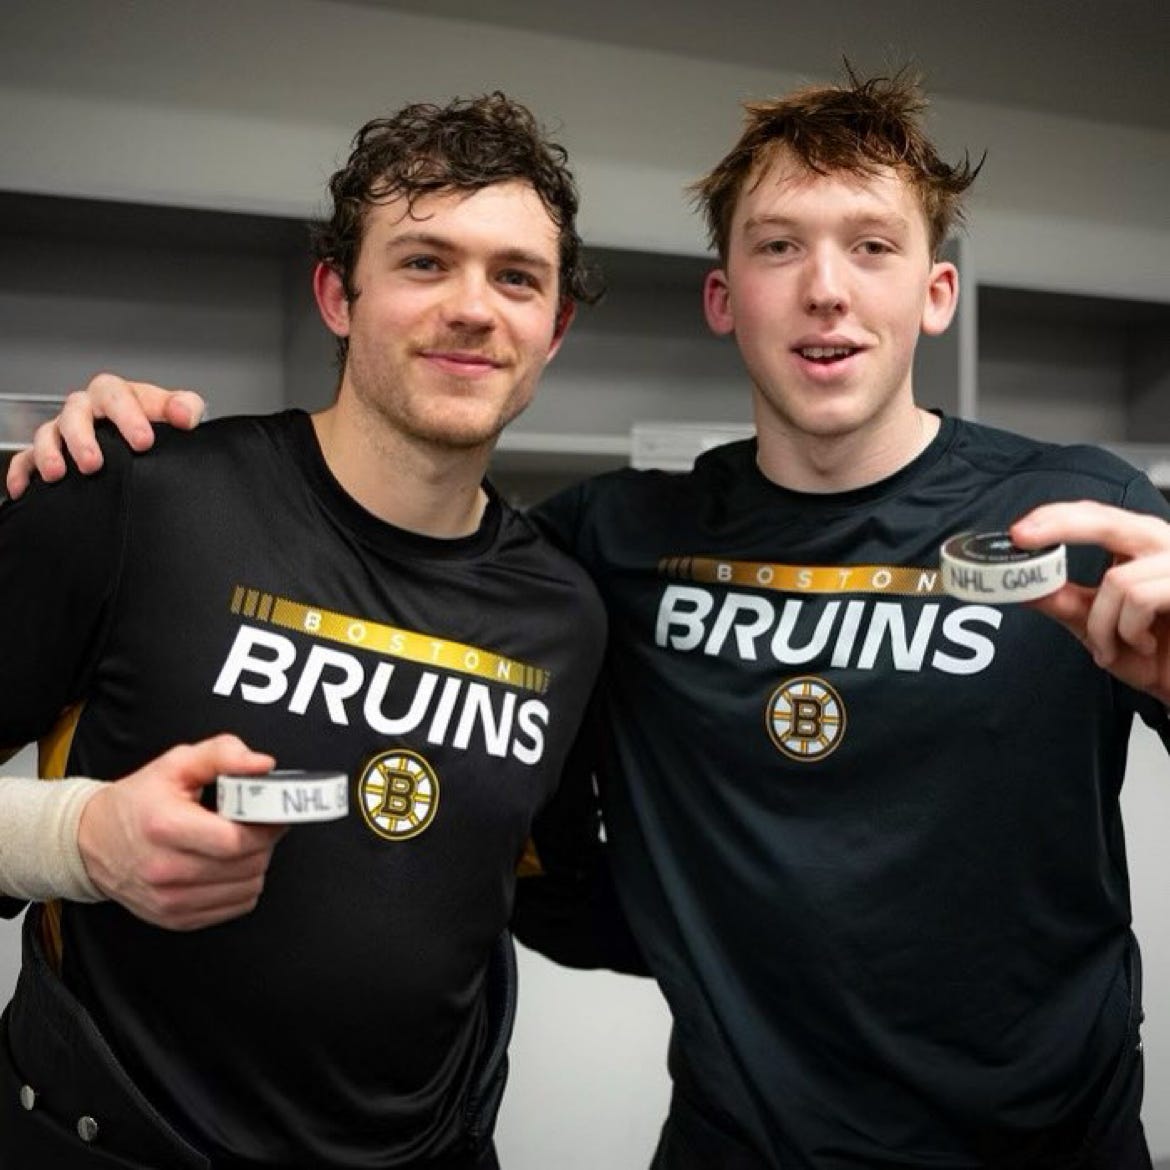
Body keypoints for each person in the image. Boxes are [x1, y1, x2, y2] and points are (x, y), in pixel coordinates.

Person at [13, 68, 1170, 1169]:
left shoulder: (1083, 516)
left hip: (1049, 1144)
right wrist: (78, 833)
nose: (827, 288)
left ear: (936, 292)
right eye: (779, 246)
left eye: (873, 245)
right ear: (723, 297)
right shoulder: (600, 547)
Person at [0, 93, 608, 1170]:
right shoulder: (139, 497)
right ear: (337, 293)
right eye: (424, 262)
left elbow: (545, 891)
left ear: (553, 328)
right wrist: (79, 842)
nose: (473, 309)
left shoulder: (564, 615)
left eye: (517, 277)